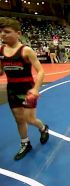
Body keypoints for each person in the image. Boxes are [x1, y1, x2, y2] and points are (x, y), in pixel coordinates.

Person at [0, 17, 49, 161]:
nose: (3, 34)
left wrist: (35, 89)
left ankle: (43, 128)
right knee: (19, 120)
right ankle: (25, 143)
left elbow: (40, 71)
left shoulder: (26, 50)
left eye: (7, 32)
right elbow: (1, 71)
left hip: (27, 90)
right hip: (12, 89)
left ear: (18, 33)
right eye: (1, 32)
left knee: (29, 119)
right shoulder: (1, 50)